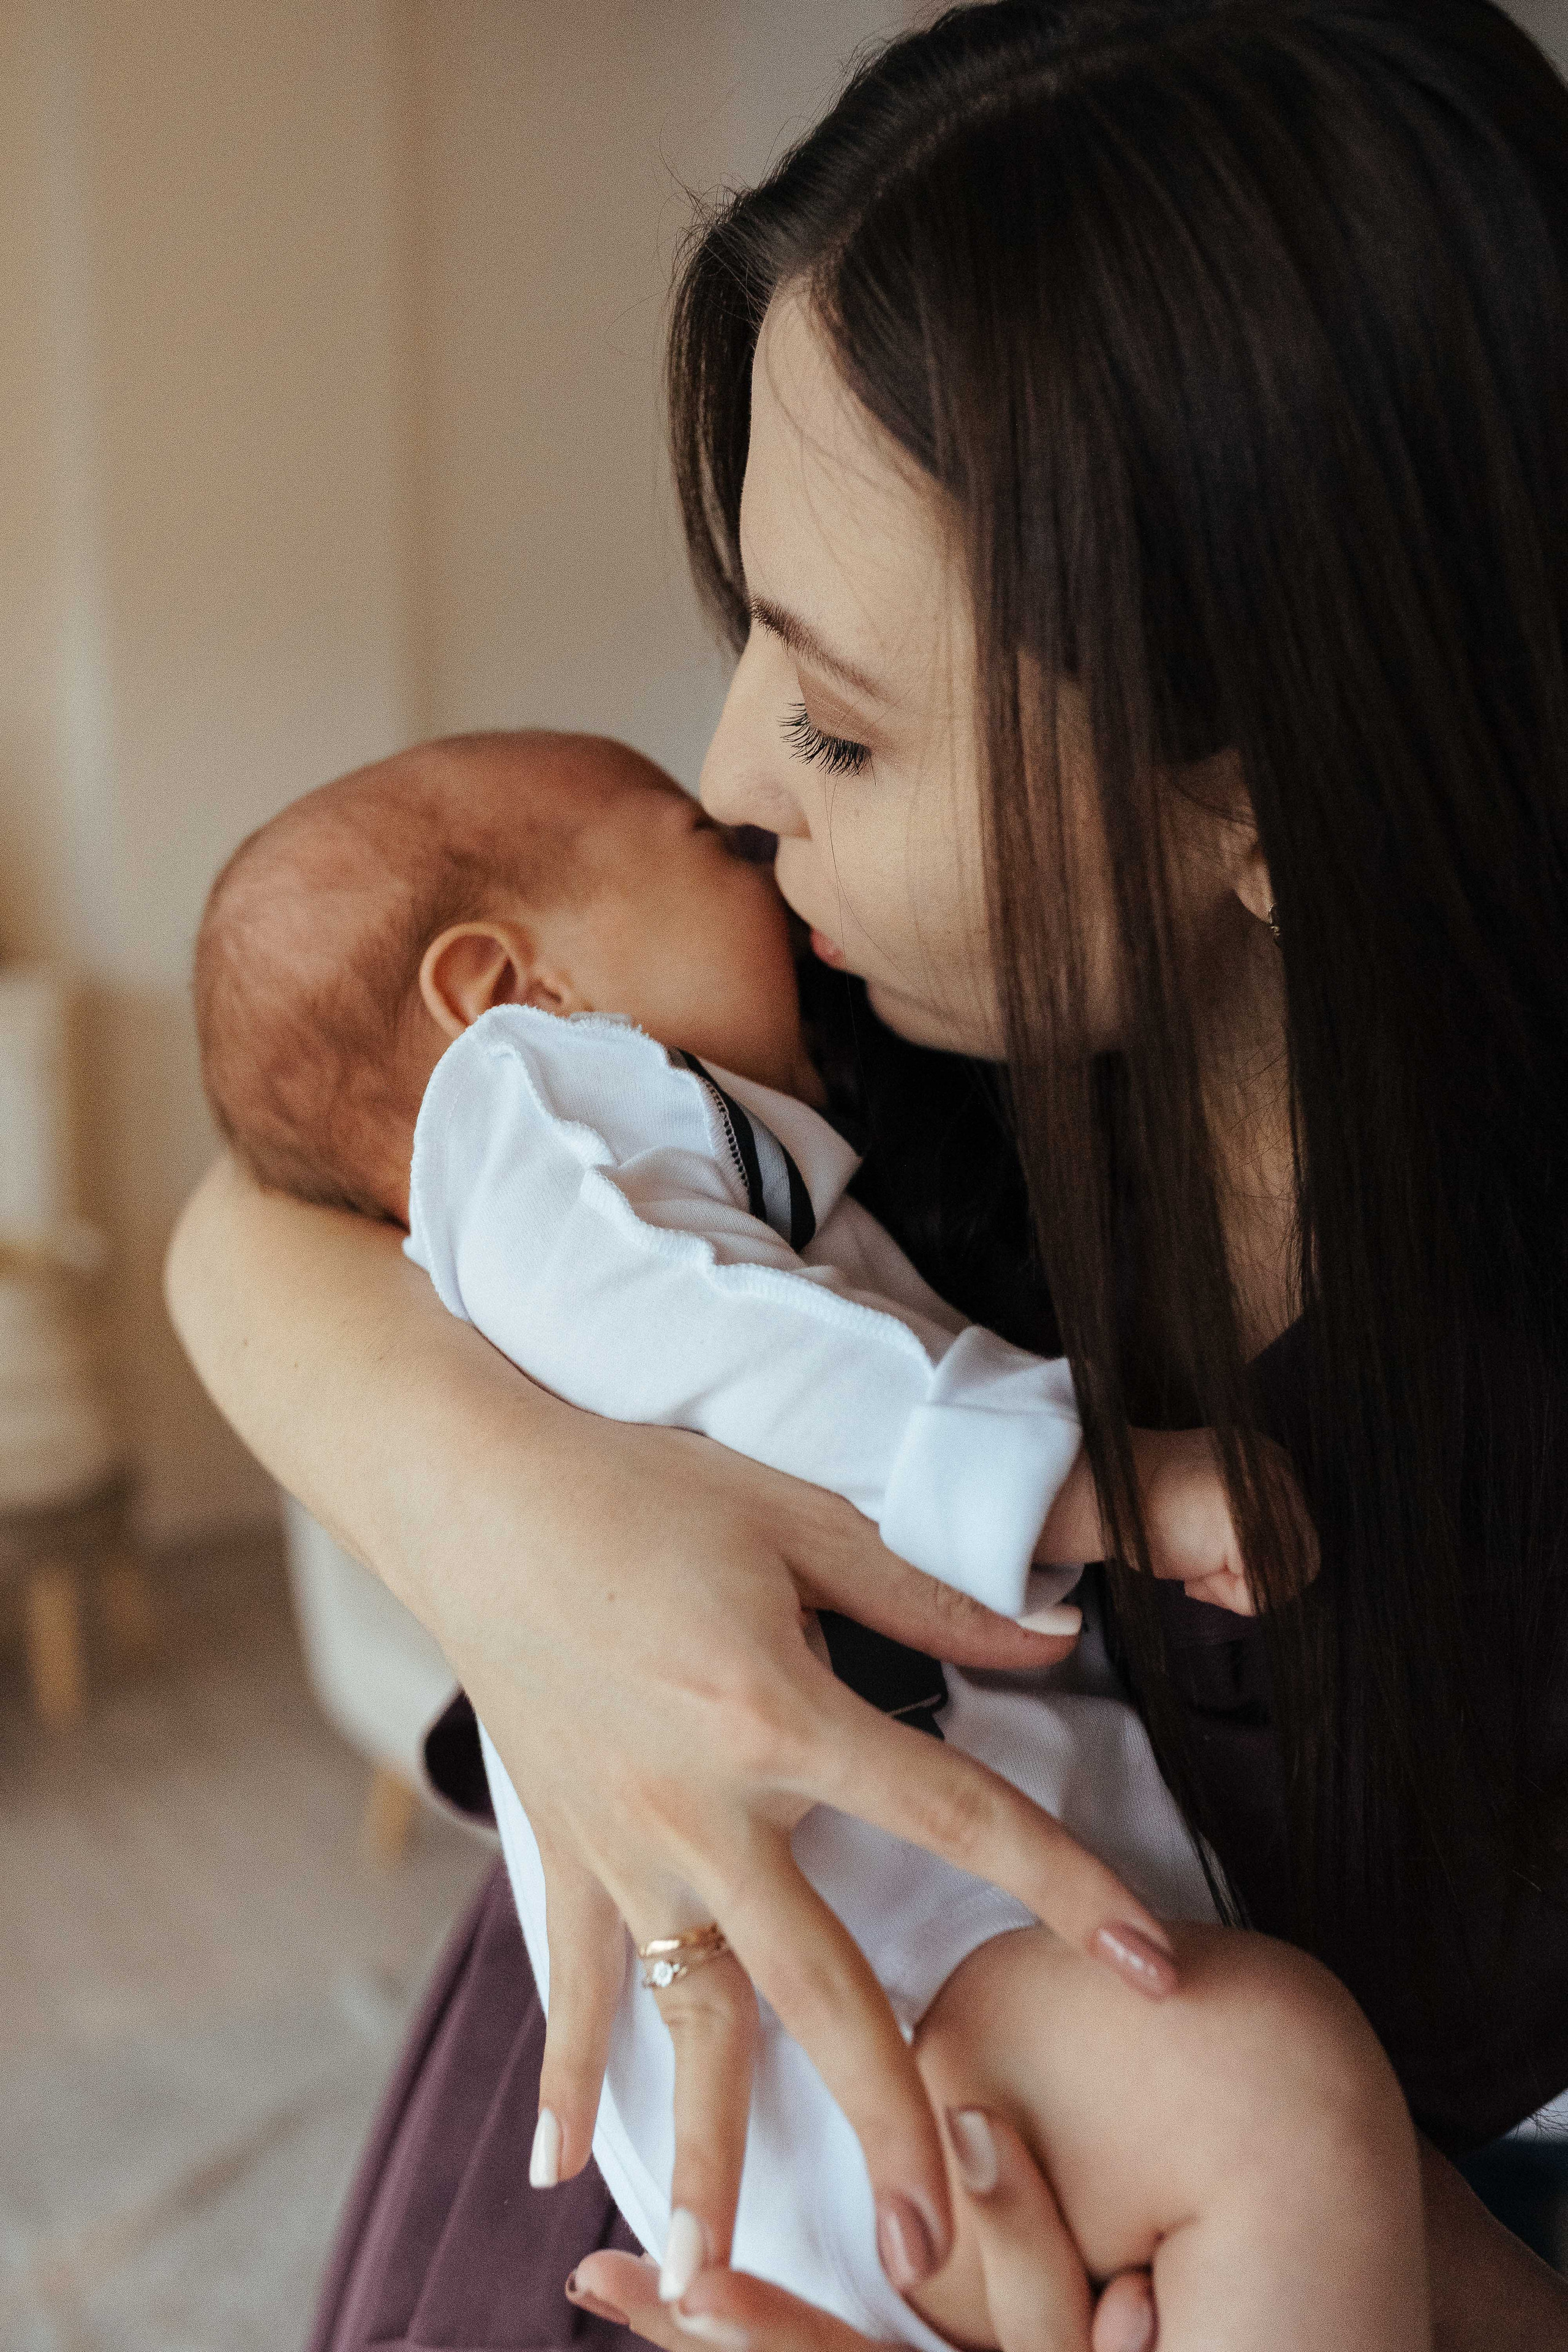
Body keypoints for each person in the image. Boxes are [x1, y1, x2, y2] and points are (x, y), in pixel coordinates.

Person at [165, 2, 1568, 2345]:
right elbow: (269, 1213)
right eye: (751, 654)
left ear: (1257, 794)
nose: (729, 779)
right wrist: (510, 1522)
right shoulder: (888, 1064)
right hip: (600, 2179)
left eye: (836, 716)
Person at [192, 729, 1416, 2348]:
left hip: (883, 2017)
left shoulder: (668, 1137)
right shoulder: (540, 1113)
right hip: (863, 2005)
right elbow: (713, 1333)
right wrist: (1089, 1480)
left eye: (837, 724)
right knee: (1271, 2086)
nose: (756, 813)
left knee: (1310, 2156)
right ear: (504, 990)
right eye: (707, 836)